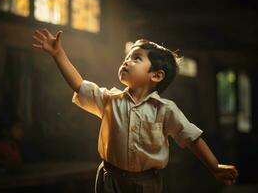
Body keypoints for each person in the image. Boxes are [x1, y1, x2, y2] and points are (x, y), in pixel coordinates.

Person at [32, 29, 238, 193]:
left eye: (137, 58)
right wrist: (59, 54)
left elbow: (192, 138)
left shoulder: (166, 110)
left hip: (146, 185)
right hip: (108, 179)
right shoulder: (109, 100)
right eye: (127, 57)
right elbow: (79, 85)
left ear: (156, 76)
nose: (127, 61)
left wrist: (215, 167)